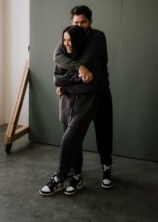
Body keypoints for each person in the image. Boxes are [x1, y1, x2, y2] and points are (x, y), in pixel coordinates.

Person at [53, 5, 113, 190]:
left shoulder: (97, 37)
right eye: (76, 22)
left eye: (83, 22)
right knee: (73, 136)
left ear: (90, 21)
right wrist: (75, 71)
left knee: (104, 133)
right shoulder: (69, 37)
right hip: (77, 96)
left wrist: (64, 81)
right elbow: (57, 56)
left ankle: (106, 169)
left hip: (100, 93)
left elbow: (85, 63)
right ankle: (75, 173)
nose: (79, 26)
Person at [39, 25, 101, 196]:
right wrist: (74, 79)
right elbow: (57, 80)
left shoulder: (90, 59)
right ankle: (77, 177)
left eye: (70, 40)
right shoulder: (63, 57)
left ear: (78, 41)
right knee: (74, 143)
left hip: (85, 105)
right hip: (66, 104)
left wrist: (67, 83)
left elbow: (90, 84)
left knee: (68, 141)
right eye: (64, 40)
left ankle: (58, 178)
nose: (66, 44)